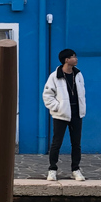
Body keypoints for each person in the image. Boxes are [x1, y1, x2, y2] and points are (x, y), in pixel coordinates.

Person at [43, 49, 86, 181]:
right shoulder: (54, 76)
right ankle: (52, 169)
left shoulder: (78, 74)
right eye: (73, 56)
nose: (76, 58)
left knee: (76, 143)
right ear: (66, 60)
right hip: (61, 115)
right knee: (56, 143)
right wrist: (58, 108)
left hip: (76, 114)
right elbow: (47, 95)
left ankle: (76, 169)